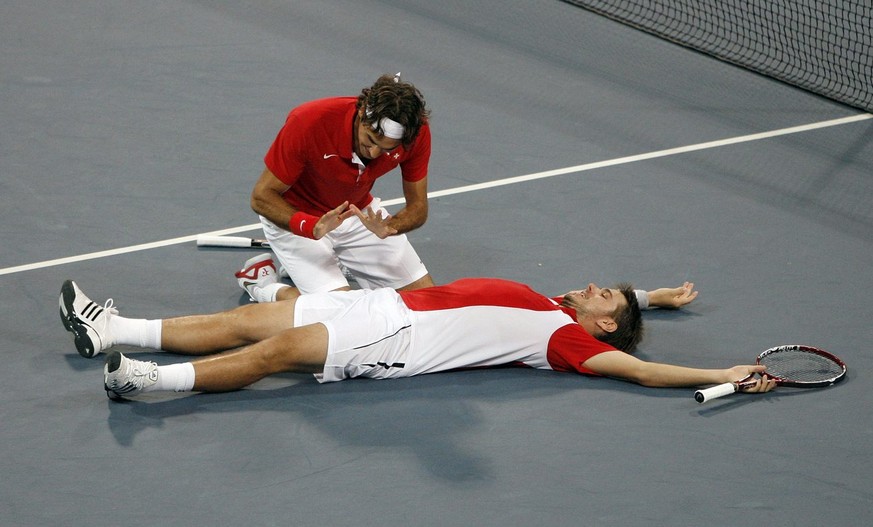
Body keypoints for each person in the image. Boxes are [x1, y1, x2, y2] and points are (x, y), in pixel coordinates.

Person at [58, 278, 775, 400]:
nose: (590, 286)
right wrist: (653, 297)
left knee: (272, 355)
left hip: (398, 339)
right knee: (251, 320)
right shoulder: (554, 304)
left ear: (603, 324)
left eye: (605, 295)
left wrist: (723, 368)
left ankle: (147, 381)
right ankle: (114, 331)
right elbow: (623, 306)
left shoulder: (569, 341)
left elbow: (643, 372)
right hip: (379, 302)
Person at [238, 73, 434, 304]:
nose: (373, 153)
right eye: (370, 140)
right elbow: (261, 197)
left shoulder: (415, 134)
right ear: (362, 113)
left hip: (356, 213)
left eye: (385, 149)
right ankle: (263, 285)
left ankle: (332, 262)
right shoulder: (309, 121)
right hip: (298, 217)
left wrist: (391, 226)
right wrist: (311, 226)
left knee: (425, 303)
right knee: (341, 313)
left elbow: (418, 207)